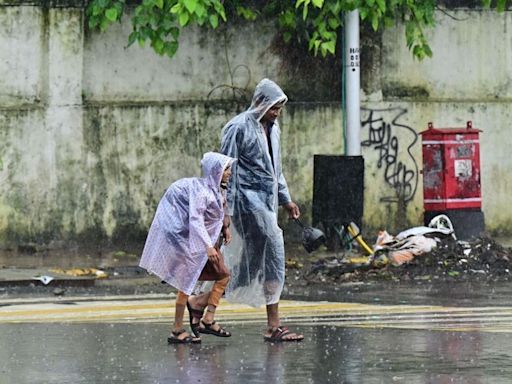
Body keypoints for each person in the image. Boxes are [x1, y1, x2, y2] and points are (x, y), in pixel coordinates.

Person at [220, 78, 304, 342]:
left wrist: (285, 200)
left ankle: (201, 303)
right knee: (274, 252)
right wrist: (226, 210)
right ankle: (273, 324)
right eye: (273, 108)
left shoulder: (274, 129)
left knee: (253, 262)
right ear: (259, 103)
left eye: (279, 109)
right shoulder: (237, 128)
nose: (276, 114)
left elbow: (274, 170)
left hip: (266, 205)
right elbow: (225, 170)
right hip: (245, 203)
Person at [139, 151, 236, 344]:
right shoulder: (202, 192)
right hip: (193, 244)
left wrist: (225, 227)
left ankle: (206, 315)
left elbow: (221, 210)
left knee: (223, 276)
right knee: (186, 284)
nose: (229, 173)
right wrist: (208, 246)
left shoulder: (219, 190)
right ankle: (177, 329)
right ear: (216, 170)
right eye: (225, 169)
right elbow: (195, 220)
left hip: (207, 245)